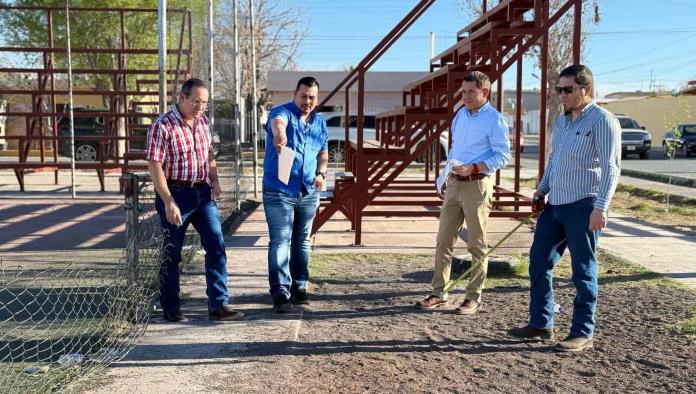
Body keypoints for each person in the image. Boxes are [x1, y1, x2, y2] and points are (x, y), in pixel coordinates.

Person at [508, 64, 621, 352]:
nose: (562, 95)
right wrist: (541, 190)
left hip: (584, 205)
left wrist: (601, 207)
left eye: (568, 90)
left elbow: (611, 168)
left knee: (582, 270)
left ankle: (583, 331)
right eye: (559, 89)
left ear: (587, 90)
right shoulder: (562, 122)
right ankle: (541, 324)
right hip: (555, 205)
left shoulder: (603, 121)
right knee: (538, 262)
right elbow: (555, 159)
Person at [146, 78, 243, 322]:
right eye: (196, 101)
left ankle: (218, 304)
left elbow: (209, 154)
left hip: (203, 193)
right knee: (173, 253)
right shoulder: (162, 126)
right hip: (176, 194)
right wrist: (168, 201)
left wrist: (215, 179)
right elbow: (155, 166)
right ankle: (171, 307)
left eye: (205, 103)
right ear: (182, 98)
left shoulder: (203, 123)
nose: (200, 107)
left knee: (216, 245)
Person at [416, 71, 511, 315]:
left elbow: (503, 155)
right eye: (463, 91)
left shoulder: (495, 119)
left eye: (471, 91)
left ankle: (473, 296)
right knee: (443, 240)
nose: (465, 96)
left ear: (485, 92)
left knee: (476, 244)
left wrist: (475, 167)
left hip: (477, 184)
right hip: (455, 183)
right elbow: (456, 149)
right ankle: (439, 292)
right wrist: (446, 177)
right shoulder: (460, 115)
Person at [263, 76, 328, 313]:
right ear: (295, 94)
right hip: (279, 189)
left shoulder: (320, 123)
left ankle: (299, 287)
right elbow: (277, 125)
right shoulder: (281, 113)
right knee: (280, 240)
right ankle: (280, 293)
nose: (307, 101)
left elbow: (323, 152)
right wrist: (281, 137)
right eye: (303, 96)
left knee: (302, 240)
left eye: (312, 97)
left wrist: (321, 173)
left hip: (309, 190)